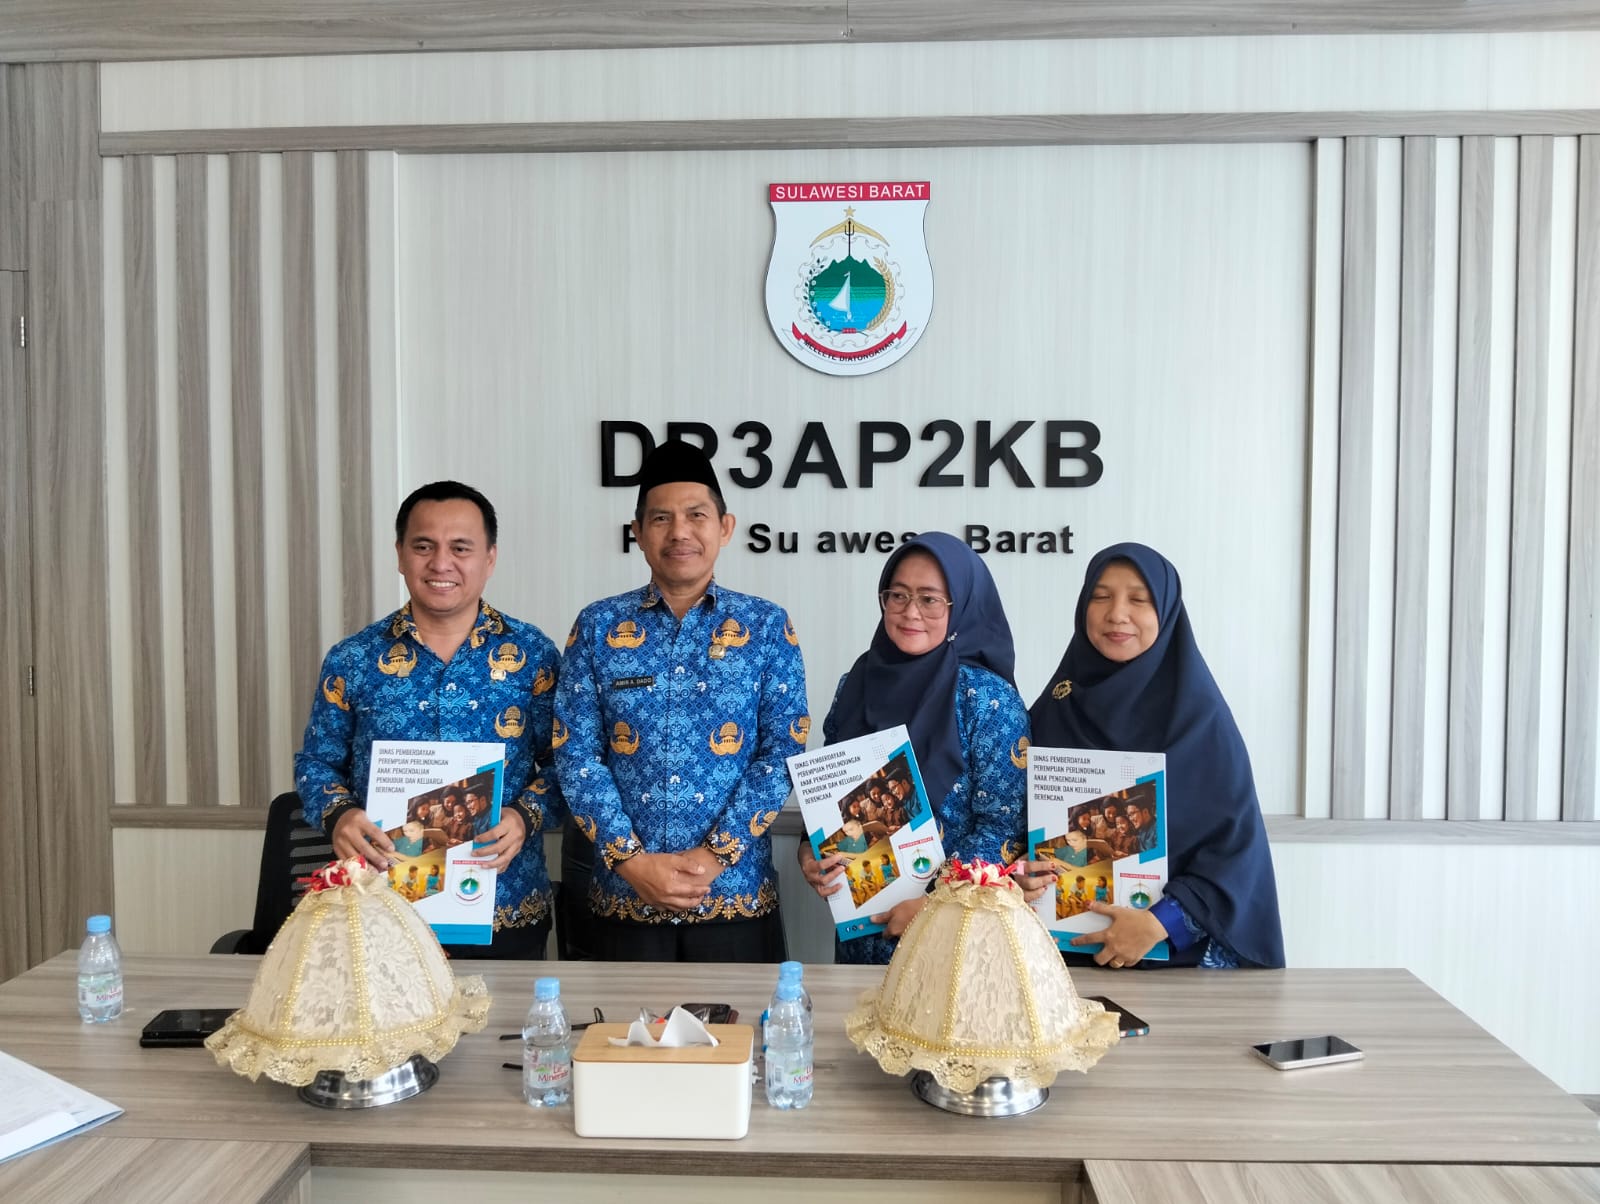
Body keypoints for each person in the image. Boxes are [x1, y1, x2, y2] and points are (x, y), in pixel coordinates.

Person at [553, 439, 807, 962]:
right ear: (638, 532)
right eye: (661, 518)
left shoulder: (765, 626)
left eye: (696, 515)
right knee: (621, 1020)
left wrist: (715, 856)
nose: (680, 532)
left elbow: (783, 750)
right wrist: (630, 860)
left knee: (740, 1021)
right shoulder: (599, 626)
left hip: (735, 900)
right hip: (624, 901)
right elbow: (575, 753)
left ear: (725, 528)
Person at [295, 480, 564, 959]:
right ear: (400, 555)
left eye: (460, 547)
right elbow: (316, 763)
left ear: (490, 558)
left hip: (503, 905)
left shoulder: (532, 656)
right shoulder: (354, 659)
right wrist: (339, 815)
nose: (441, 563)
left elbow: (568, 765)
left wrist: (525, 817)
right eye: (423, 546)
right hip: (381, 908)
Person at [1027, 542, 1285, 969]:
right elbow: (1012, 825)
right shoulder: (1057, 707)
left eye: (1139, 599)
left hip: (1171, 966)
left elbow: (1235, 853)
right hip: (1054, 963)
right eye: (1101, 596)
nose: (1117, 614)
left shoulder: (1200, 720)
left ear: (1165, 612)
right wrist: (1021, 873)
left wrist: (1160, 923)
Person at [799, 531, 1032, 965]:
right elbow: (830, 789)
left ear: (960, 606)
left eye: (930, 599)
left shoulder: (985, 698)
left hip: (956, 936)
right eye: (898, 595)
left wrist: (934, 905)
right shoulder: (857, 682)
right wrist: (808, 850)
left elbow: (1006, 827)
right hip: (862, 930)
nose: (910, 612)